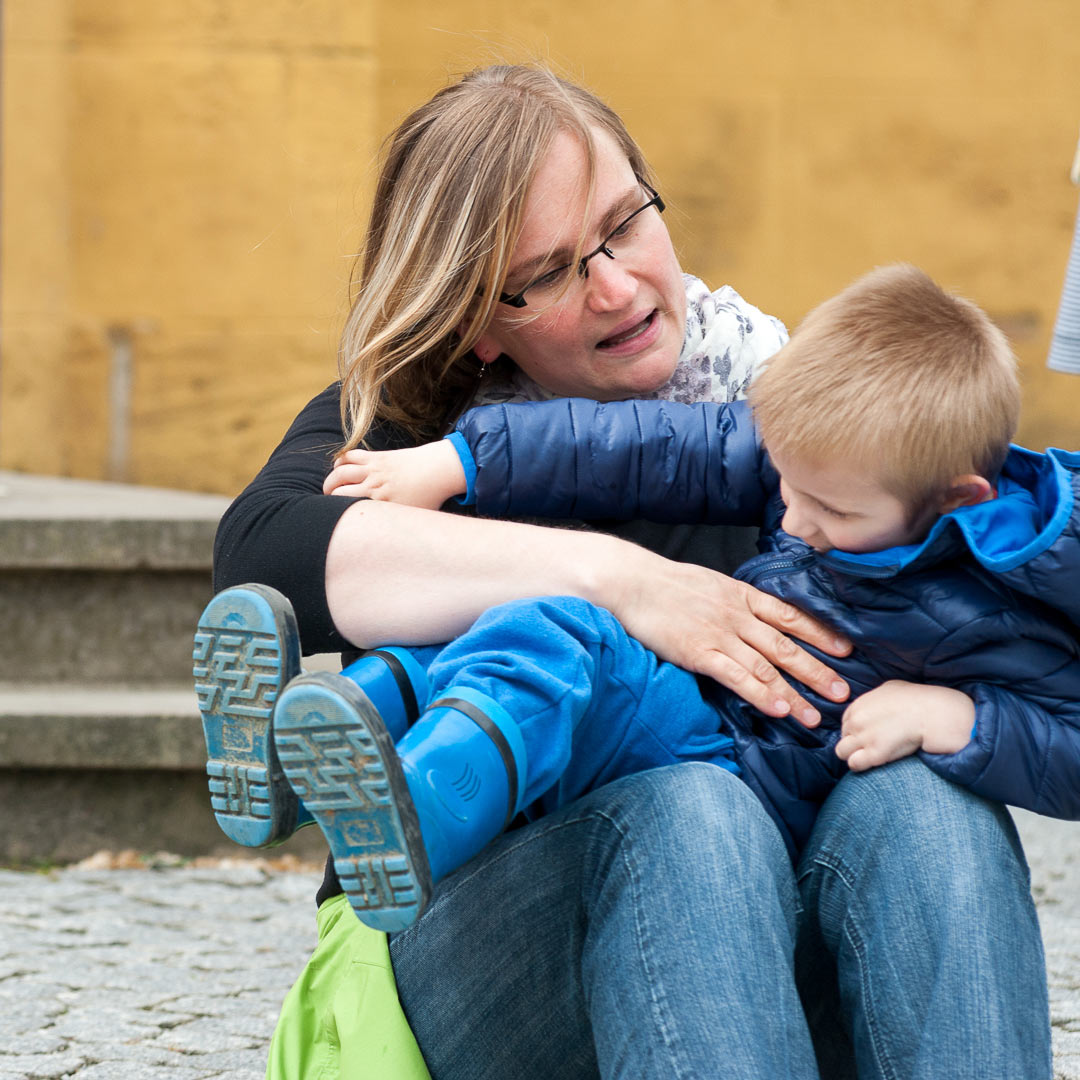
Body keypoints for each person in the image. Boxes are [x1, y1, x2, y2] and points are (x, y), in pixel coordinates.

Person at [197, 65, 1053, 1079]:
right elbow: (262, 556)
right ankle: (347, 752)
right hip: (484, 956)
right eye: (550, 272)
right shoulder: (413, 427)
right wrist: (618, 579)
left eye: (624, 224)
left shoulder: (794, 410)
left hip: (755, 970)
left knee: (929, 801)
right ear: (477, 317)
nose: (616, 285)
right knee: (688, 806)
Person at [260, 263, 1080, 934]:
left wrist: (964, 722)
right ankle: (328, 734)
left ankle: (423, 812)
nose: (791, 517)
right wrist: (461, 463)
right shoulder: (837, 455)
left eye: (828, 513)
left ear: (958, 502)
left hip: (736, 775)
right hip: (699, 706)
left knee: (563, 643)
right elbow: (638, 447)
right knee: (541, 620)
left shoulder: (1017, 600)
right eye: (785, 485)